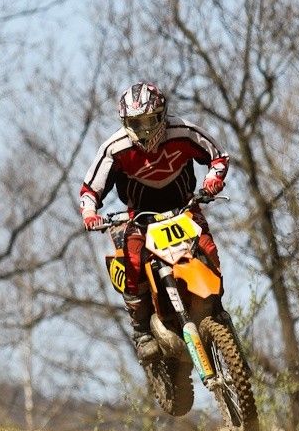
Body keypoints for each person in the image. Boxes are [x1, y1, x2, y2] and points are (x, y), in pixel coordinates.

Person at [79, 82, 229, 363]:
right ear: (126, 123)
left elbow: (218, 157)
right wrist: (89, 214)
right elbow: (90, 189)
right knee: (132, 262)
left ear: (162, 115)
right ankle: (141, 332)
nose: (144, 130)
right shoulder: (115, 148)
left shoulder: (183, 131)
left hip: (183, 207)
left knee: (207, 247)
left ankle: (216, 308)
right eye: (136, 124)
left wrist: (212, 180)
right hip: (140, 217)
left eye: (149, 121)